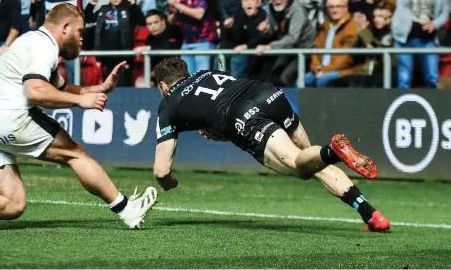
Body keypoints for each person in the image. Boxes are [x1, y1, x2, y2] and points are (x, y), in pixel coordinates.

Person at [0, 3, 157, 236]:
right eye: (80, 31)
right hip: (8, 116)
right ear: (65, 27)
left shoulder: (29, 42)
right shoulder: (45, 46)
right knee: (75, 154)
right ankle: (127, 209)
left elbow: (60, 87)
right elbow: (35, 91)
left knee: (13, 203)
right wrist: (79, 102)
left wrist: (100, 87)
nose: (82, 38)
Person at [151, 57, 390, 233]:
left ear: (162, 86)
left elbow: (161, 171)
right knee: (312, 161)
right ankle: (372, 215)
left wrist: (169, 183)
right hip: (268, 94)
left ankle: (333, 150)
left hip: (245, 115)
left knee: (301, 166)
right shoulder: (206, 72)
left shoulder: (168, 105)